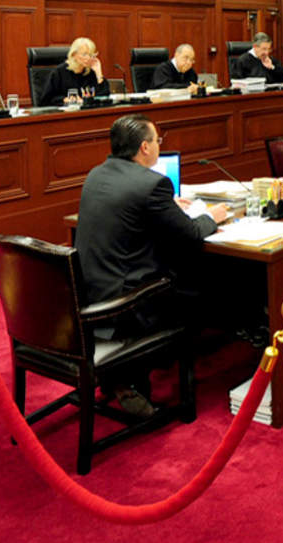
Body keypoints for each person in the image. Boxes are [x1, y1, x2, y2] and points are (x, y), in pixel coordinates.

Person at [77, 114, 230, 413]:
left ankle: (120, 377)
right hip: (126, 307)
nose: (159, 145)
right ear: (145, 147)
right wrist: (212, 217)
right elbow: (191, 234)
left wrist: (167, 208)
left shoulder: (96, 174)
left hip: (89, 294)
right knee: (207, 286)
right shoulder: (152, 184)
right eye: (157, 140)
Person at [39, 37, 105, 106]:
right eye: (84, 54)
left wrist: (98, 73)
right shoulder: (59, 72)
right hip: (65, 111)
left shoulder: (90, 71)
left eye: (90, 55)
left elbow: (104, 97)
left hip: (87, 111)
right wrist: (64, 99)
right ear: (74, 54)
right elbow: (46, 100)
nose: (88, 58)